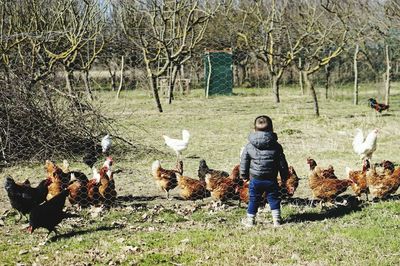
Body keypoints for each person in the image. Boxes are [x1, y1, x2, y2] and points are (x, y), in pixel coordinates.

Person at [240, 115, 289, 227]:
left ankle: (250, 221)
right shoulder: (276, 146)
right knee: (273, 199)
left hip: (255, 179)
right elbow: (282, 163)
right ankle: (276, 220)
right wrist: (284, 175)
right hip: (271, 179)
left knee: (253, 200)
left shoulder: (249, 146)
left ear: (254, 129)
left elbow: (244, 162)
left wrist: (244, 176)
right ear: (271, 129)